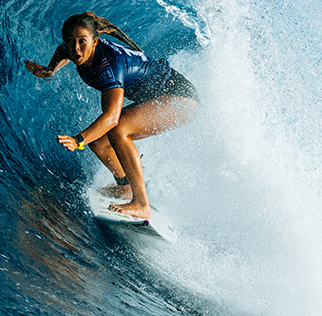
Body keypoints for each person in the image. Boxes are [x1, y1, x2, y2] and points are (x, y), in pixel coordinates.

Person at [24, 12, 199, 220]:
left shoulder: (108, 66)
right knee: (98, 142)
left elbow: (111, 117)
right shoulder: (72, 49)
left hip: (181, 99)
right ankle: (125, 187)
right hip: (161, 97)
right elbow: (63, 51)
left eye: (82, 42)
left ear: (95, 42)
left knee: (118, 129)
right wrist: (50, 71)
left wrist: (77, 140)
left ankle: (142, 204)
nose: (76, 48)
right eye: (71, 42)